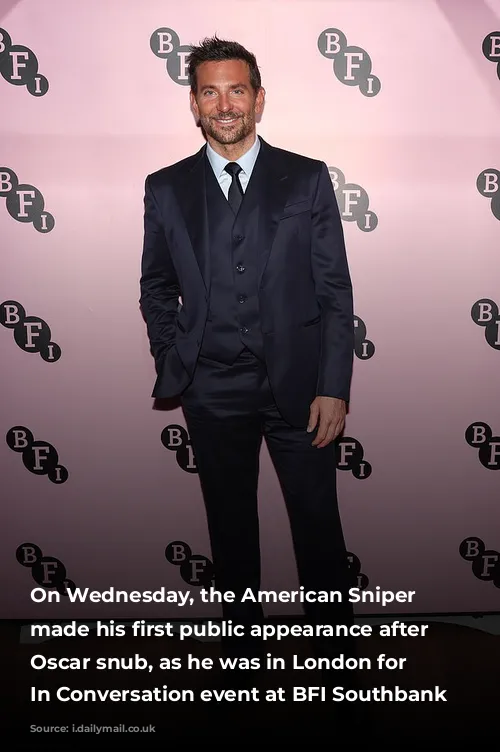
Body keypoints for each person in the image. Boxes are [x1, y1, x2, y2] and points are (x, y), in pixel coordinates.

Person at [139, 36, 356, 673]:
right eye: (211, 91)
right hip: (211, 389)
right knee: (231, 533)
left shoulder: (307, 176)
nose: (225, 104)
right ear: (194, 103)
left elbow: (334, 289)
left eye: (237, 90)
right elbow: (156, 284)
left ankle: (334, 661)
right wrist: (172, 354)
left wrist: (335, 385)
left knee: (318, 528)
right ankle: (241, 660)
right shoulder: (166, 187)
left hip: (302, 389)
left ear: (259, 99)